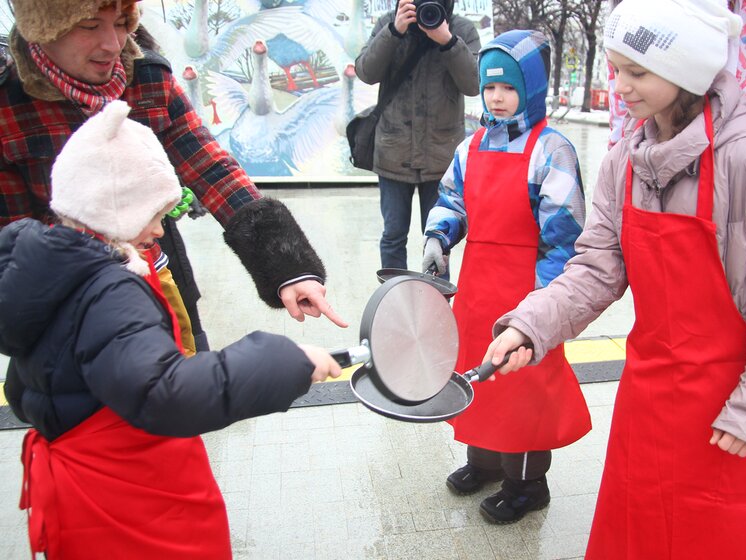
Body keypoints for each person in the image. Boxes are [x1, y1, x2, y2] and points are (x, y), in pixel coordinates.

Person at [485, 0, 746, 557]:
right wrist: (529, 327)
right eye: (616, 69)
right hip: (648, 409)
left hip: (735, 411)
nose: (620, 86)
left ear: (687, 69)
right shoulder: (624, 163)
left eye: (637, 72)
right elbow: (596, 269)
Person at [0, 100, 342, 559]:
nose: (162, 229)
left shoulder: (49, 273)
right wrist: (287, 360)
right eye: (155, 213)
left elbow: (26, 391)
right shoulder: (108, 290)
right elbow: (165, 392)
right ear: (115, 209)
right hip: (130, 506)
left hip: (80, 491)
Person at [0, 0, 347, 356]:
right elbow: (12, 245)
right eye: (90, 26)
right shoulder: (8, 100)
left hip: (163, 279)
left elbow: (210, 166)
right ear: (43, 28)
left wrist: (288, 268)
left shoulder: (146, 75)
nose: (113, 44)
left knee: (192, 381)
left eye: (121, 23)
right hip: (68, 310)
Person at [422, 29, 592, 524]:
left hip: (528, 296)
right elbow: (452, 200)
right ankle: (485, 462)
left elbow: (565, 235)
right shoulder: (469, 146)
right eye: (490, 87)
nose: (496, 97)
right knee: (476, 376)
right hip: (477, 291)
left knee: (522, 389)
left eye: (510, 88)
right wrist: (438, 236)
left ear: (532, 90)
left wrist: (544, 300)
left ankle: (527, 483)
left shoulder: (552, 150)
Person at [608, 0, 746, 158]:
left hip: (743, 200)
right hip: (649, 192)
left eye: (637, 73)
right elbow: (621, 128)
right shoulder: (636, 11)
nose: (621, 84)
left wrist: (723, 141)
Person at [355, 0, 480, 270]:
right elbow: (365, 71)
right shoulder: (389, 23)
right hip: (393, 152)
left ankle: (435, 306)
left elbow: (474, 84)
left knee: (438, 238)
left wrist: (448, 41)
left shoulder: (461, 29)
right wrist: (394, 31)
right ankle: (395, 301)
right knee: (393, 235)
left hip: (441, 157)